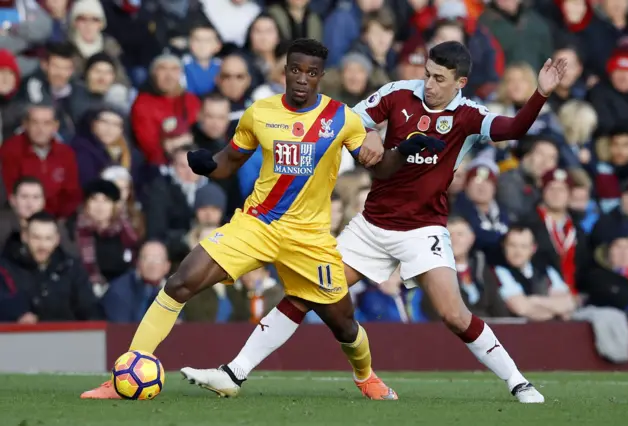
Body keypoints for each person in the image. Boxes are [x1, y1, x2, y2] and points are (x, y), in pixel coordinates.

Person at [188, 41, 567, 404]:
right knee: (305, 295)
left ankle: (518, 382)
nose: (429, 84)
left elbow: (515, 128)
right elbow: (346, 122)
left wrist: (541, 94)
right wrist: (368, 132)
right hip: (371, 226)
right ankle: (234, 372)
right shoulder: (399, 93)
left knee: (454, 315)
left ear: (460, 83)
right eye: (427, 73)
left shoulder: (468, 115)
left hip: (423, 230)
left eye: (439, 79)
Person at [80, 38, 436, 401]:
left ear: (321, 77)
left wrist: (403, 151)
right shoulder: (259, 113)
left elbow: (380, 168)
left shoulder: (341, 119)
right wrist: (206, 165)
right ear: (284, 71)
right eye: (295, 70)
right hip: (257, 224)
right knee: (180, 282)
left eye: (311, 73)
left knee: (343, 322)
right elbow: (228, 162)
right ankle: (123, 374)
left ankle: (366, 377)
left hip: (309, 237)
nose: (302, 78)